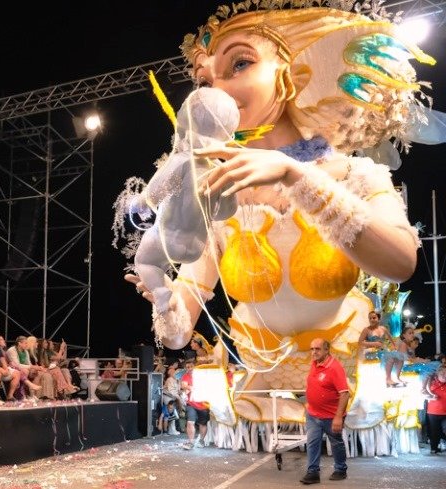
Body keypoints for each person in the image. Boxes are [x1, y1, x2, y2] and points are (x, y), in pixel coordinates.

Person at [121, 0, 444, 448]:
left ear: (292, 77)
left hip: (343, 379)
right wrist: (161, 295)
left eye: (239, 64)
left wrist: (299, 177)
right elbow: (176, 336)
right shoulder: (213, 194)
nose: (214, 91)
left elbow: (401, 262)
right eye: (203, 80)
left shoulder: (353, 175)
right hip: (259, 395)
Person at [302, 339, 349, 484]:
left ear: (326, 350)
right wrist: (309, 402)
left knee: (336, 443)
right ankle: (313, 472)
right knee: (312, 443)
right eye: (312, 349)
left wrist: (338, 417)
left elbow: (345, 393)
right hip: (313, 415)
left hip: (331, 417)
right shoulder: (315, 363)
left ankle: (341, 469)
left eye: (317, 349)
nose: (314, 352)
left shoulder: (335, 368)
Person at [425, 366, 446, 455]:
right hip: (433, 412)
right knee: (435, 431)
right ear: (437, 374)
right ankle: (434, 448)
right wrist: (431, 396)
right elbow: (423, 393)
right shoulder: (431, 382)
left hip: (445, 412)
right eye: (442, 374)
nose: (445, 376)